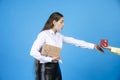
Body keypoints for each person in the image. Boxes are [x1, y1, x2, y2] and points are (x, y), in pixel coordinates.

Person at [30, 12, 104, 80]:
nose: (63, 24)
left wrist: (94, 46)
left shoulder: (59, 36)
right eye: (61, 22)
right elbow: (33, 52)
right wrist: (50, 59)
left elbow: (75, 41)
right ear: (54, 22)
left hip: (56, 68)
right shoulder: (44, 34)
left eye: (63, 22)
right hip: (46, 69)